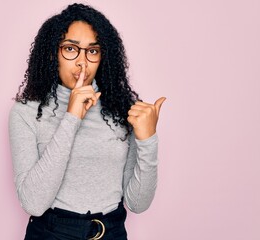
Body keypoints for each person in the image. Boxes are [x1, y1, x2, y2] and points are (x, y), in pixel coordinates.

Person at [9, 3, 165, 239]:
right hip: (51, 232)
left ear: (103, 56)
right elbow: (33, 203)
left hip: (111, 231)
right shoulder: (26, 112)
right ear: (53, 53)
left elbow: (138, 204)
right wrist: (71, 117)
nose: (82, 62)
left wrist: (148, 140)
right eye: (71, 49)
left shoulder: (123, 110)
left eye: (92, 51)